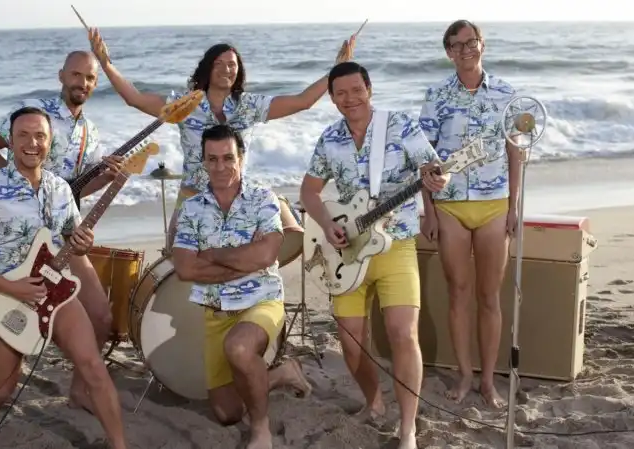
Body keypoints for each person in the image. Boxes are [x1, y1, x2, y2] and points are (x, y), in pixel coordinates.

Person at [0, 50, 123, 426]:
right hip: (19, 238)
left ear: (96, 84)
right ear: (61, 75)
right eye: (75, 74)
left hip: (61, 234)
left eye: (89, 78)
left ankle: (80, 390)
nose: (81, 83)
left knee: (100, 314)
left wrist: (106, 178)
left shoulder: (89, 131)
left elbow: (78, 189)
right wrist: (18, 188)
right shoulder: (34, 114)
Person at [86, 28, 356, 247]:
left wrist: (336, 70)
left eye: (232, 65)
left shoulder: (249, 105)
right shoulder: (185, 104)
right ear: (207, 68)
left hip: (236, 202)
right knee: (178, 268)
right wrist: (105, 63)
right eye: (220, 64)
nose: (227, 69)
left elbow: (302, 101)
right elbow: (134, 98)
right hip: (192, 199)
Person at [299, 61, 449, 449]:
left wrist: (437, 177)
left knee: (403, 333)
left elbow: (432, 167)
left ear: (369, 89)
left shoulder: (400, 125)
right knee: (351, 346)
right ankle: (374, 402)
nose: (350, 98)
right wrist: (326, 224)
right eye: (341, 93)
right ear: (333, 99)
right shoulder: (330, 138)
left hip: (395, 244)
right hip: (347, 252)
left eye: (356, 90)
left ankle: (408, 429)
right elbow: (309, 192)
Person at [172, 124, 312, 449]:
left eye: (228, 158)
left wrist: (212, 255)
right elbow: (185, 268)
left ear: (241, 158)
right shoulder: (191, 209)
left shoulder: (263, 199)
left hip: (261, 300)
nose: (220, 166)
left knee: (239, 348)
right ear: (203, 161)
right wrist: (243, 261)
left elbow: (265, 256)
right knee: (226, 412)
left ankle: (261, 430)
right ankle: (280, 374)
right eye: (212, 159)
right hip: (215, 310)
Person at [417, 20, 520, 409]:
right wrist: (428, 212)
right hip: (450, 207)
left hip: (495, 205)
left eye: (471, 42)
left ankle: (489, 382)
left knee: (489, 295)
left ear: (482, 45)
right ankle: (464, 375)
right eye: (457, 45)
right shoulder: (436, 95)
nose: (465, 49)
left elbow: (515, 152)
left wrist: (514, 206)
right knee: (459, 292)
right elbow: (424, 159)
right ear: (448, 52)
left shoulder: (507, 94)